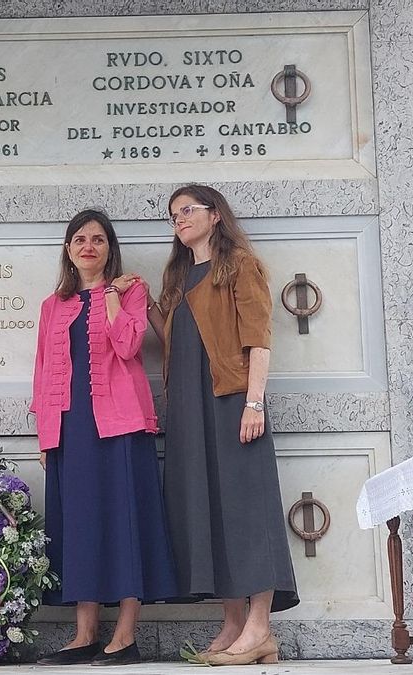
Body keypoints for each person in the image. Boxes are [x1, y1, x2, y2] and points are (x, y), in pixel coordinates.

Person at [148, 184, 299, 666]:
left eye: (188, 210)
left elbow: (258, 339)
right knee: (208, 511)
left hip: (232, 402)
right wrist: (145, 304)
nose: (180, 219)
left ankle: (261, 628)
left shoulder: (241, 267)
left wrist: (254, 403)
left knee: (245, 511)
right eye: (173, 215)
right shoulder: (180, 276)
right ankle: (233, 622)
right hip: (190, 410)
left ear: (216, 216)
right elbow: (176, 339)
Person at [30, 209, 178, 667]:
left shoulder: (132, 290)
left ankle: (127, 634)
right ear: (68, 249)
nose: (88, 246)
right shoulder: (53, 304)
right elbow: (41, 371)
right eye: (79, 239)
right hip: (70, 428)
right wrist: (44, 436)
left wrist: (112, 296)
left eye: (98, 239)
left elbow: (130, 346)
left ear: (110, 248)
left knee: (125, 521)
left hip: (121, 424)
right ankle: (85, 633)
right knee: (79, 524)